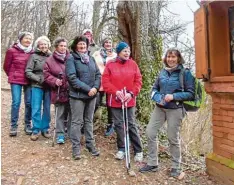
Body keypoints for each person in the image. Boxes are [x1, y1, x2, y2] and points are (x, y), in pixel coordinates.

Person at [139, 48, 195, 178]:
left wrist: (174, 96)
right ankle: (152, 163)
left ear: (178, 58)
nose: (170, 59)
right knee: (150, 132)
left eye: (173, 57)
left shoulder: (185, 73)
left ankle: (176, 166)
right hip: (160, 108)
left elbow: (190, 94)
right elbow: (154, 89)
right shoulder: (162, 72)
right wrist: (158, 97)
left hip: (175, 109)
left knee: (172, 137)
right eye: (168, 57)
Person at [102, 41, 143, 162]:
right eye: (125, 51)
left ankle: (138, 150)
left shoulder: (133, 64)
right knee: (119, 124)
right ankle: (121, 148)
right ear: (119, 52)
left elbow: (138, 81)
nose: (127, 53)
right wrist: (116, 92)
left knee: (131, 124)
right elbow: (105, 82)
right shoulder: (110, 64)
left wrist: (131, 93)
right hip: (115, 99)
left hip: (129, 99)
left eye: (128, 51)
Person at [66, 36, 101, 159]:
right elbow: (72, 78)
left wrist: (95, 88)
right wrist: (88, 89)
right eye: (80, 44)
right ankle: (76, 148)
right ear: (76, 46)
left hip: (91, 96)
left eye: (84, 45)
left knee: (89, 121)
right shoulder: (71, 59)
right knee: (76, 122)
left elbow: (98, 75)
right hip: (77, 96)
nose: (82, 47)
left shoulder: (91, 59)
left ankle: (90, 145)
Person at [3, 31, 34, 137]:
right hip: (15, 80)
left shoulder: (32, 52)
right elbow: (6, 66)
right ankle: (13, 126)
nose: (28, 40)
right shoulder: (12, 51)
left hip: (29, 80)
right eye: (26, 38)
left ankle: (27, 124)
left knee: (29, 103)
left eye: (30, 39)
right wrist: (12, 75)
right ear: (20, 39)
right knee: (16, 102)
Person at [43, 37, 70, 144]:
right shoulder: (50, 60)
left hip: (71, 90)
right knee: (60, 113)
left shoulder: (71, 58)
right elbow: (46, 74)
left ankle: (69, 131)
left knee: (71, 113)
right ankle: (60, 134)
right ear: (56, 47)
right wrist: (54, 81)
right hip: (58, 90)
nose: (63, 48)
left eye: (64, 46)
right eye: (61, 46)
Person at [25, 36, 52, 141]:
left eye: (45, 44)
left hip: (49, 86)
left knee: (47, 108)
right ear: (38, 45)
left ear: (48, 45)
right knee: (36, 108)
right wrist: (38, 79)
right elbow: (28, 71)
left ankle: (45, 128)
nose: (43, 46)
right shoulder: (33, 56)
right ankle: (35, 129)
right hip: (37, 85)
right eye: (41, 44)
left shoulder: (52, 56)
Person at [92, 38, 117, 137]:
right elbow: (92, 64)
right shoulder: (97, 53)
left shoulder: (115, 55)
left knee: (110, 104)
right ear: (103, 43)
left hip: (111, 82)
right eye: (106, 42)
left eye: (110, 42)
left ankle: (111, 125)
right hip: (98, 81)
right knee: (96, 103)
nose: (108, 44)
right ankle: (90, 123)